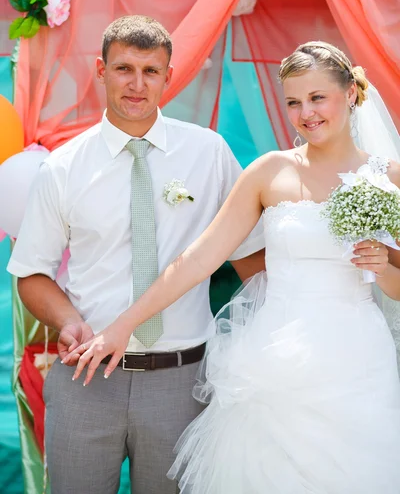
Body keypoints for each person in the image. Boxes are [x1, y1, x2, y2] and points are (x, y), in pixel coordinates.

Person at [66, 41, 400, 493]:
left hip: (358, 360)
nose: (306, 113)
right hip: (275, 359)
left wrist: (383, 268)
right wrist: (124, 324)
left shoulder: (388, 178)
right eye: (294, 102)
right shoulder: (268, 172)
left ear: (351, 95)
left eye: (318, 97)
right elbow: (199, 258)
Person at [7, 15, 265, 494]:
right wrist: (67, 321)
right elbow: (31, 273)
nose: (137, 84)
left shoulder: (209, 153)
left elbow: (252, 260)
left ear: (169, 77)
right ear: (101, 71)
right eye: (125, 68)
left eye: (151, 71)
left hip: (184, 380)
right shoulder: (62, 167)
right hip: (86, 377)